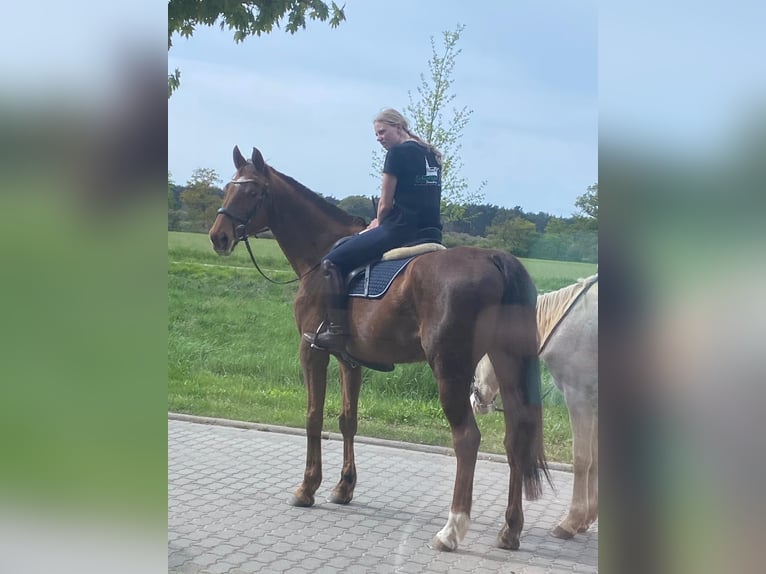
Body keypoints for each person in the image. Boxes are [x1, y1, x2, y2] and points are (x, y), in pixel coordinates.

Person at [303, 108, 443, 354]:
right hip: (431, 232)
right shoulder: (429, 154)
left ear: (399, 127)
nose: (379, 138)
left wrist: (376, 223)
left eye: (382, 132)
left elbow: (385, 203)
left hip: (400, 231)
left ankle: (336, 332)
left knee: (331, 262)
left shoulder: (397, 153)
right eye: (376, 134)